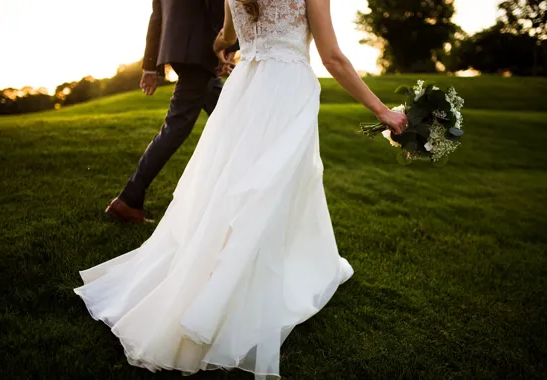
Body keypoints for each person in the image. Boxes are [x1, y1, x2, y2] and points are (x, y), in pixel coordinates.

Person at [74, 0, 408, 378]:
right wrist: (383, 111)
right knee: (270, 185)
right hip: (286, 90)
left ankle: (218, 269)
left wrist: (241, 50)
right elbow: (333, 58)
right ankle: (233, 285)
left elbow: (225, 40)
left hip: (244, 88)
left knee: (235, 183)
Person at [105, 0, 238, 223]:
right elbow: (217, 5)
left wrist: (149, 66)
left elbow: (157, 18)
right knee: (175, 128)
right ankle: (128, 199)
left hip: (183, 52)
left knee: (234, 121)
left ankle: (233, 198)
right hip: (200, 52)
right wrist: (227, 45)